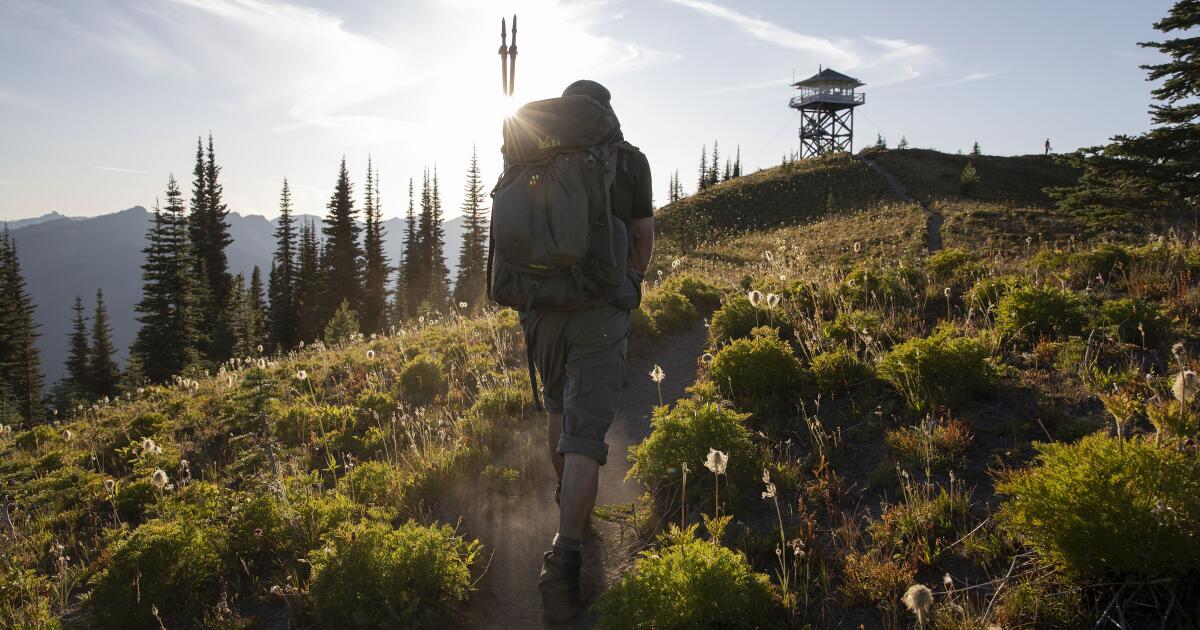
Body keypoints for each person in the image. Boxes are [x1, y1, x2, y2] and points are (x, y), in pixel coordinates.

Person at [521, 79, 654, 623]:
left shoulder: (535, 153)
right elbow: (642, 235)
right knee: (584, 437)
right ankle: (564, 564)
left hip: (541, 310)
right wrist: (633, 279)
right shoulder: (629, 161)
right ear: (606, 113)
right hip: (599, 310)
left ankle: (566, 501)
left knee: (557, 407)